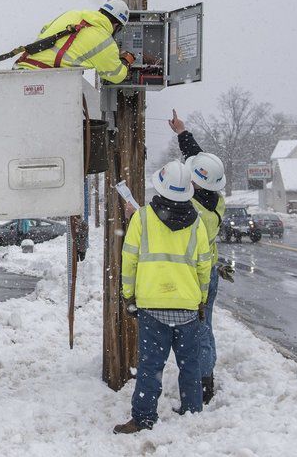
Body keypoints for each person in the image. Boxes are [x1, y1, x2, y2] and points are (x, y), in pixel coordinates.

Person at [114, 160, 212, 434]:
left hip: (152, 307)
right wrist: (201, 299)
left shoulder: (142, 218)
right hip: (187, 308)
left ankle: (143, 418)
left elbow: (129, 260)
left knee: (150, 367)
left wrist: (128, 295)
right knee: (189, 366)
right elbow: (205, 265)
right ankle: (192, 413)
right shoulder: (198, 224)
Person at [168, 109, 230, 404]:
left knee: (197, 329)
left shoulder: (192, 210)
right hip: (211, 272)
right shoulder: (216, 199)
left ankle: (202, 381)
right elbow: (201, 161)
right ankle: (204, 374)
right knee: (205, 326)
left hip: (197, 274)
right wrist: (182, 133)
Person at [13, 0, 135, 83]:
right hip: (46, 80)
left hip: (20, 69)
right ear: (116, 26)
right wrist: (126, 60)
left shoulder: (71, 14)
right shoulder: (106, 42)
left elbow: (44, 30)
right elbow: (115, 75)